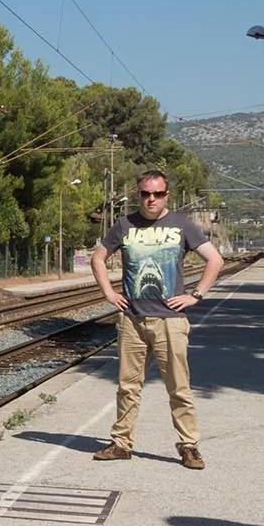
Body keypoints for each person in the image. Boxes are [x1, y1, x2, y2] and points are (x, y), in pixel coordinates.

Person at [90, 170, 224, 470]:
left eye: (158, 194)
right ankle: (121, 443)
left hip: (170, 321)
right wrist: (109, 293)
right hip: (132, 320)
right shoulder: (124, 225)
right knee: (127, 386)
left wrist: (196, 295)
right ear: (139, 195)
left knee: (179, 387)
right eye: (145, 194)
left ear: (166, 195)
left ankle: (189, 446)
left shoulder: (182, 225)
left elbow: (215, 260)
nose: (151, 199)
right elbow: (98, 258)